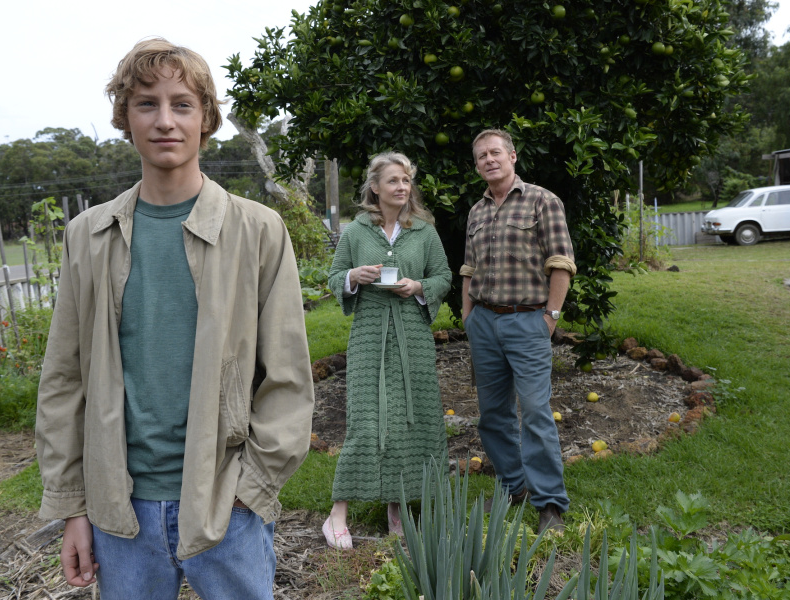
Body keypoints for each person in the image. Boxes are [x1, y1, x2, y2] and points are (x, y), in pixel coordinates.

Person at [35, 38, 314, 599]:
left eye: (182, 104)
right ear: (125, 117)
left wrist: (251, 490)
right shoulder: (88, 236)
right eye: (146, 103)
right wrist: (72, 507)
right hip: (120, 513)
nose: (165, 120)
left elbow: (287, 377)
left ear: (207, 118)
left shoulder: (258, 232)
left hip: (225, 506)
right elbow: (64, 381)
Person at [324, 152, 452, 548]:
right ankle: (336, 515)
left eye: (406, 180)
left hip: (412, 335)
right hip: (369, 333)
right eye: (394, 180)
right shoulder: (356, 232)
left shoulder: (424, 231)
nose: (402, 186)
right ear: (375, 187)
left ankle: (396, 508)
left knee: (410, 422)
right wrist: (352, 276)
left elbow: (443, 276)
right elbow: (332, 277)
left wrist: (418, 288)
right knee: (366, 421)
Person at [460, 129, 576, 534]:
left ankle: (549, 504)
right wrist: (467, 315)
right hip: (484, 323)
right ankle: (514, 486)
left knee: (536, 413)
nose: (488, 160)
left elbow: (560, 263)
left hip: (528, 321)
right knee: (493, 415)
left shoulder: (543, 201)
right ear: (477, 165)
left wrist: (551, 318)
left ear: (512, 156)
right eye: (481, 157)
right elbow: (469, 269)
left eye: (495, 153)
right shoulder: (476, 211)